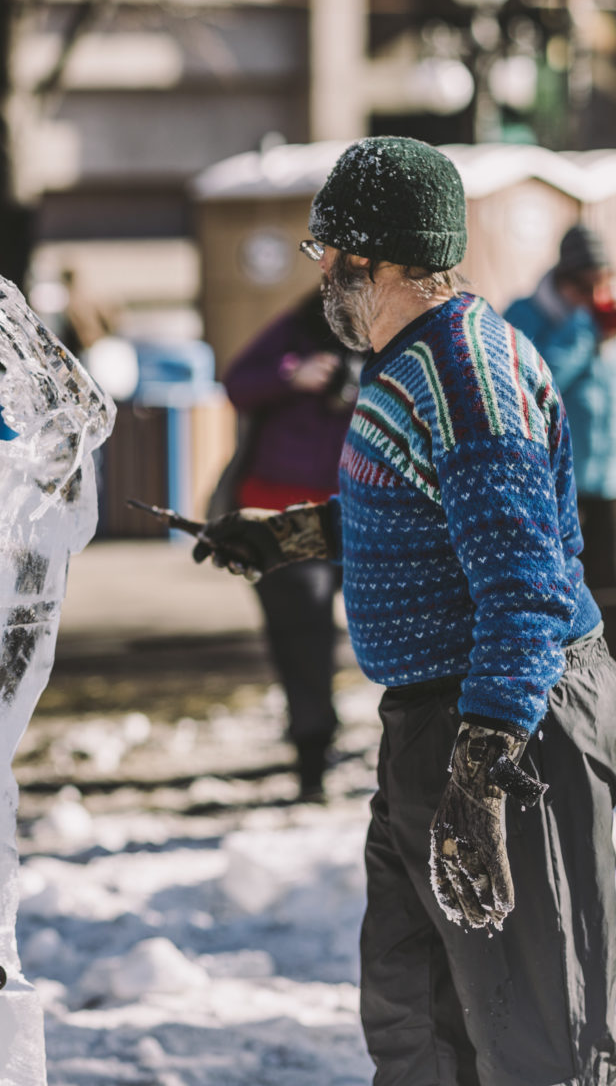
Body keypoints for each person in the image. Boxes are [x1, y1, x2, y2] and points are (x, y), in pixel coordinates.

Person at [196, 137, 616, 1084]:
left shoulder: (467, 374)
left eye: (329, 259)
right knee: (415, 1017)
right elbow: (422, 510)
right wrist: (287, 537)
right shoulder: (410, 359)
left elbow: (525, 586)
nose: (322, 283)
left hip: (512, 729)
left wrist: (482, 770)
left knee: (536, 1034)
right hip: (433, 723)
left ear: (373, 261)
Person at [218, 292, 359, 800]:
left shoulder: (396, 334)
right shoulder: (300, 326)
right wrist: (291, 375)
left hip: (360, 513)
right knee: (303, 636)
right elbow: (236, 382)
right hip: (281, 511)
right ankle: (312, 751)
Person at [504, 223, 616, 619]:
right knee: (570, 595)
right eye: (586, 287)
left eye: (603, 285)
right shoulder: (527, 316)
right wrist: (584, 330)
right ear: (565, 281)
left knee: (609, 589)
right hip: (557, 486)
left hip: (608, 482)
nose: (596, 297)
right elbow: (534, 385)